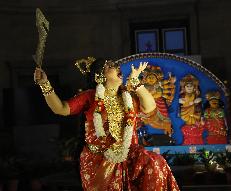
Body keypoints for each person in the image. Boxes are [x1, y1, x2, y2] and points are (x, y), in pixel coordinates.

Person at [33, 58, 180, 191]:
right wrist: (45, 84)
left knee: (155, 164)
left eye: (116, 65)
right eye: (110, 65)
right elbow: (61, 108)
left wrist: (136, 82)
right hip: (98, 160)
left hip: (130, 157)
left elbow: (150, 108)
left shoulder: (128, 96)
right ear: (99, 76)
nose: (117, 66)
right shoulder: (90, 96)